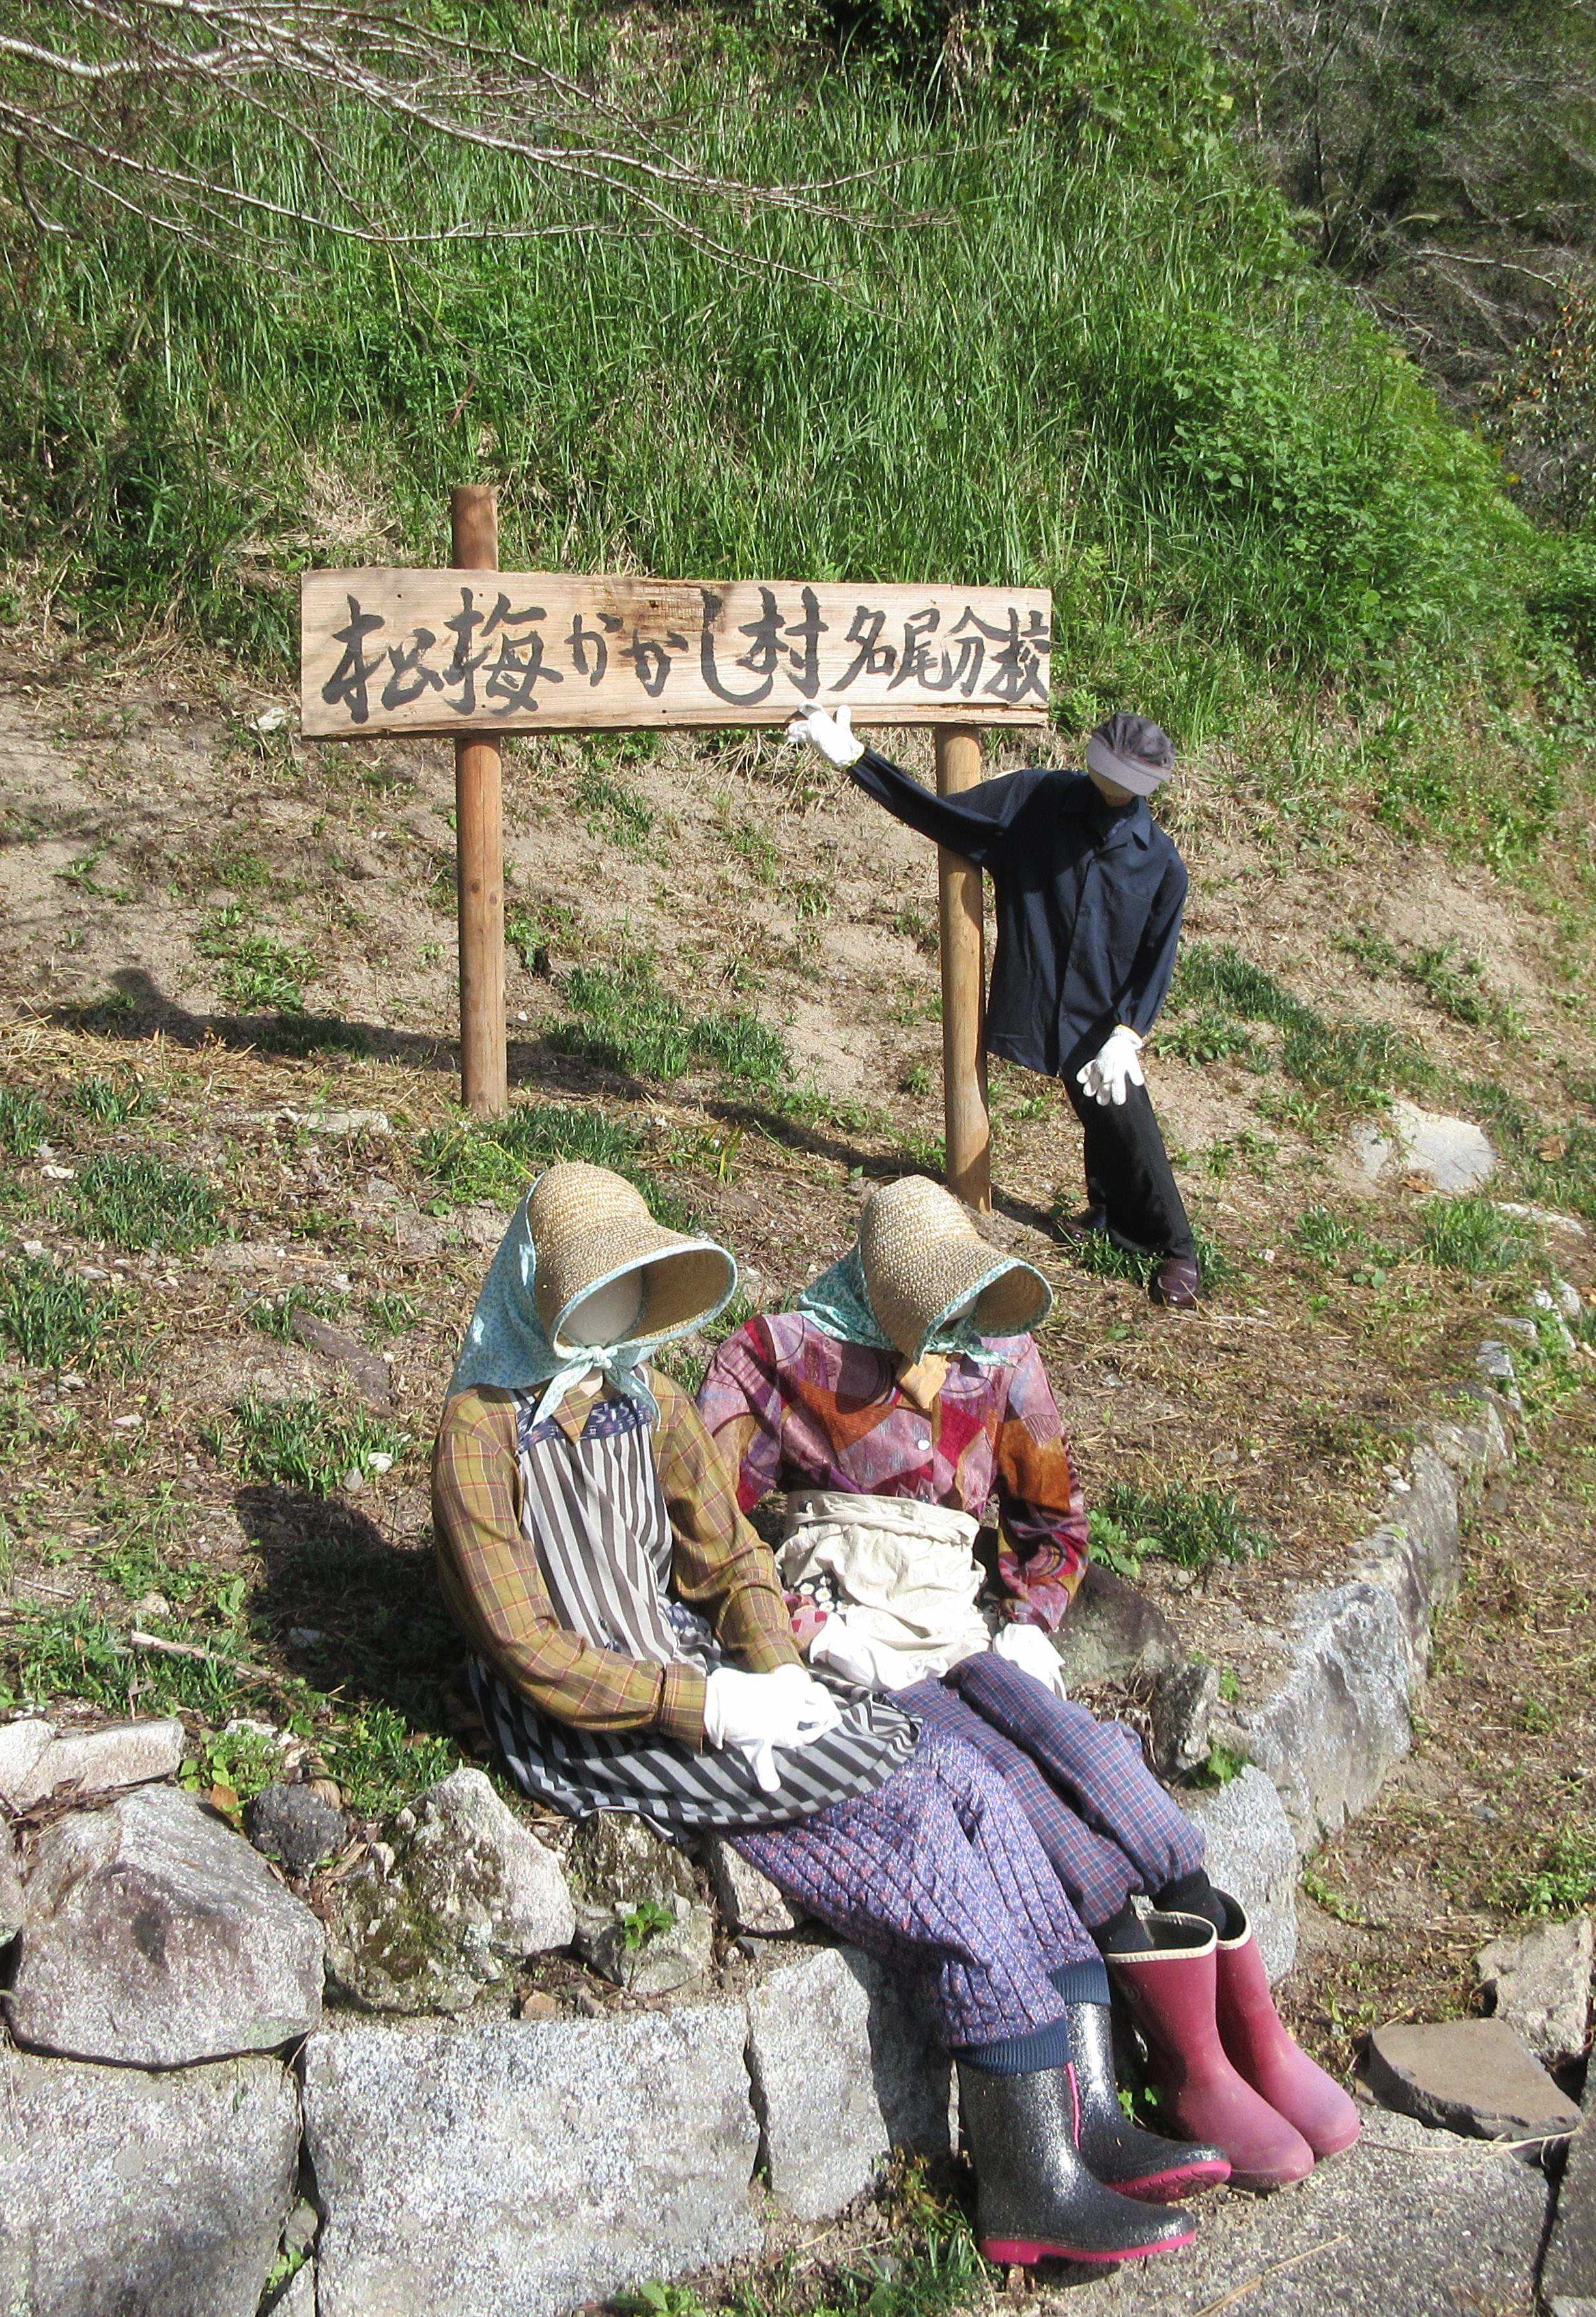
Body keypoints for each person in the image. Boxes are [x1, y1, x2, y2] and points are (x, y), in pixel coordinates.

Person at [426, 1160, 1214, 2264]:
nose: (616, 1317)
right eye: (593, 1290)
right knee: (904, 1833)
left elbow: (728, 1549)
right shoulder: (479, 1432)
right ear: (538, 1292)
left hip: (691, 1660)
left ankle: (1081, 2113)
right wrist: (705, 1704)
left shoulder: (641, 1398)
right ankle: (1026, 2177)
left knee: (963, 1778)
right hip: (596, 1709)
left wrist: (772, 1663)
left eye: (630, 1288)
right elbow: (522, 1642)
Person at [697, 1173, 1360, 2189]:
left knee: (1089, 1756)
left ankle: (1240, 2040)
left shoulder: (1000, 1355)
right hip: (860, 1635)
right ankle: (1170, 2077)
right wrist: (800, 1627)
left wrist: (1032, 1624)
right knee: (1004, 1792)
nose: (951, 1334)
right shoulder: (781, 1359)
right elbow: (706, 1525)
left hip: (965, 1623)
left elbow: (1053, 1521)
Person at [788, 704, 1202, 1310]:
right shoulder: (1038, 799)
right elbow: (942, 815)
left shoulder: (1160, 862)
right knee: (1096, 1111)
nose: (1115, 784)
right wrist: (854, 759)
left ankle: (1177, 1248)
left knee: (1124, 1114)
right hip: (1043, 989)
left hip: (1103, 1010)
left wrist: (1127, 1032)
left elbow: (1154, 957)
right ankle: (1112, 1217)